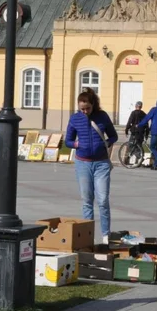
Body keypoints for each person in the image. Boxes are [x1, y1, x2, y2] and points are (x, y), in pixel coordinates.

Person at [64, 89, 118, 243]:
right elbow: (67, 141)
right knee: (87, 201)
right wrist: (76, 144)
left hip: (101, 164)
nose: (85, 111)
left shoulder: (102, 116)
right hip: (83, 163)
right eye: (82, 109)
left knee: (102, 200)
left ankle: (106, 235)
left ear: (93, 104)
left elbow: (113, 135)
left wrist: (106, 142)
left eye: (87, 108)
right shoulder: (75, 119)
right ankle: (88, 236)